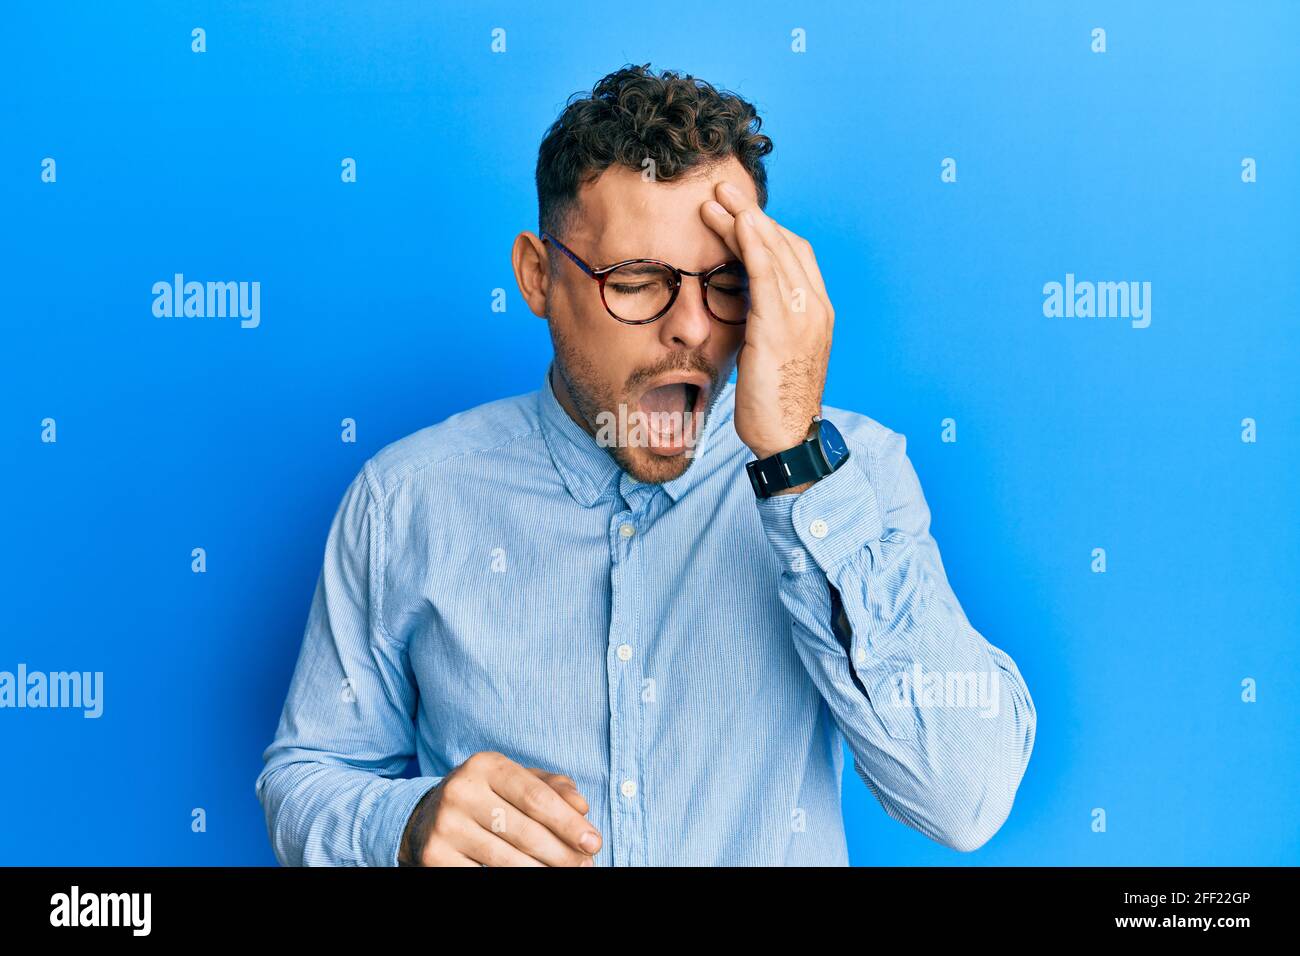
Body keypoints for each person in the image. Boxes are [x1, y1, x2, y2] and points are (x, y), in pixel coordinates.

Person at [255, 63, 1036, 867]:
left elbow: (965, 799)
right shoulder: (406, 502)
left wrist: (798, 465)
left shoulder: (852, 473)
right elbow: (309, 776)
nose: (694, 329)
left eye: (728, 283)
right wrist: (409, 825)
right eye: (637, 282)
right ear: (538, 277)